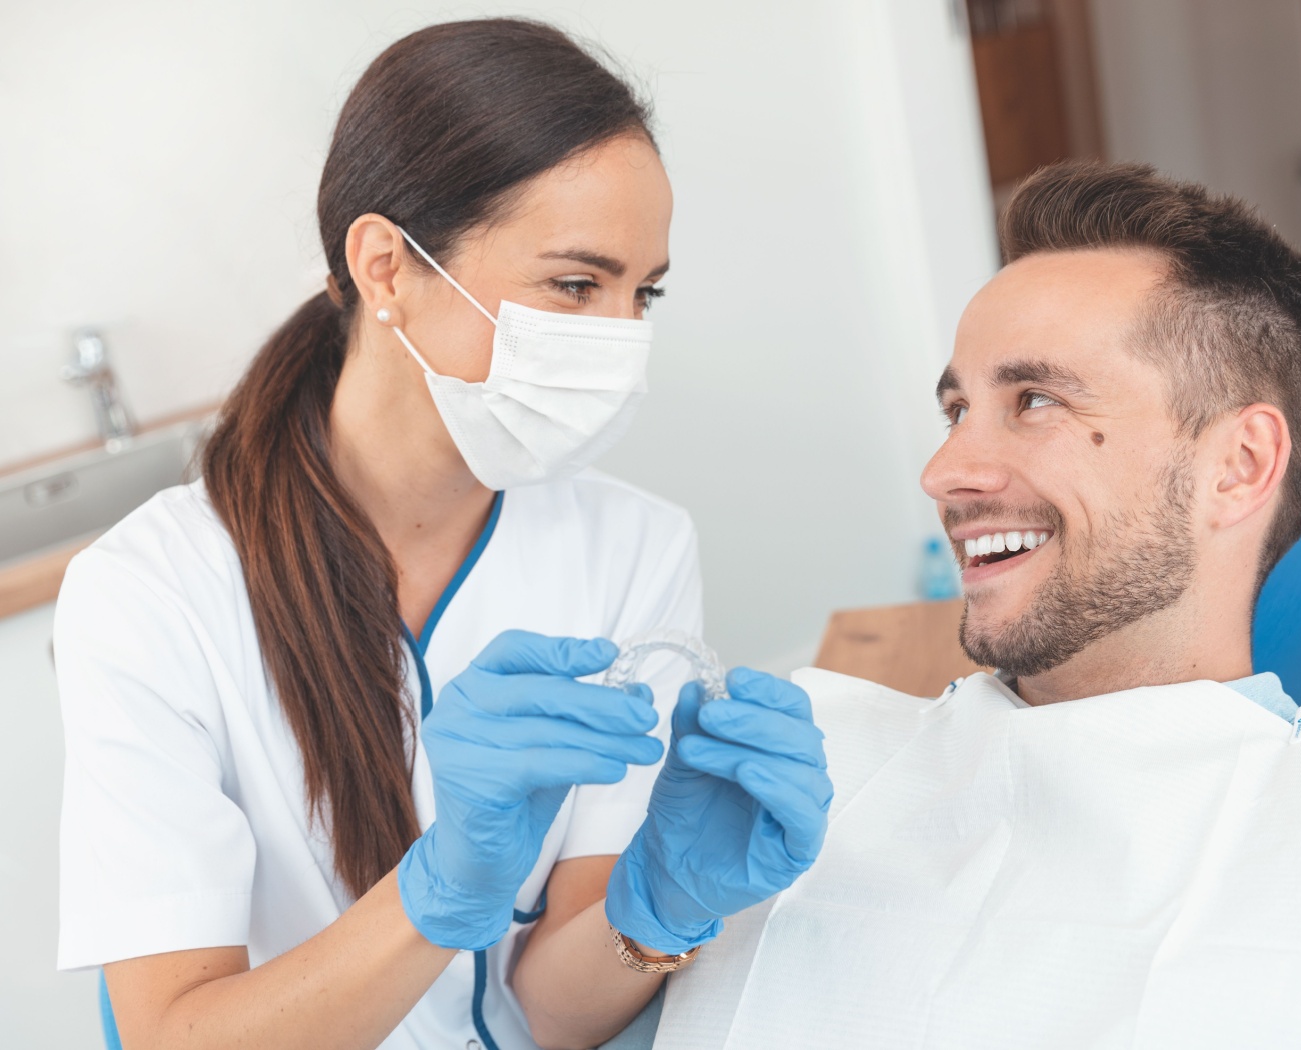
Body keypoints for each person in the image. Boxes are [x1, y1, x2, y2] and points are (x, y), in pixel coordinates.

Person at [651, 162, 1301, 1048]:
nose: (945, 474)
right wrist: (642, 923)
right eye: (957, 410)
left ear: (1238, 467)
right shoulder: (808, 803)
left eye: (1035, 401)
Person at [52, 19, 829, 1050]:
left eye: (643, 293)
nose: (620, 343)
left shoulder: (634, 547)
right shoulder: (153, 594)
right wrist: (436, 890)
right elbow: (172, 1037)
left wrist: (659, 911)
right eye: (573, 285)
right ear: (384, 266)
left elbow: (551, 1016)